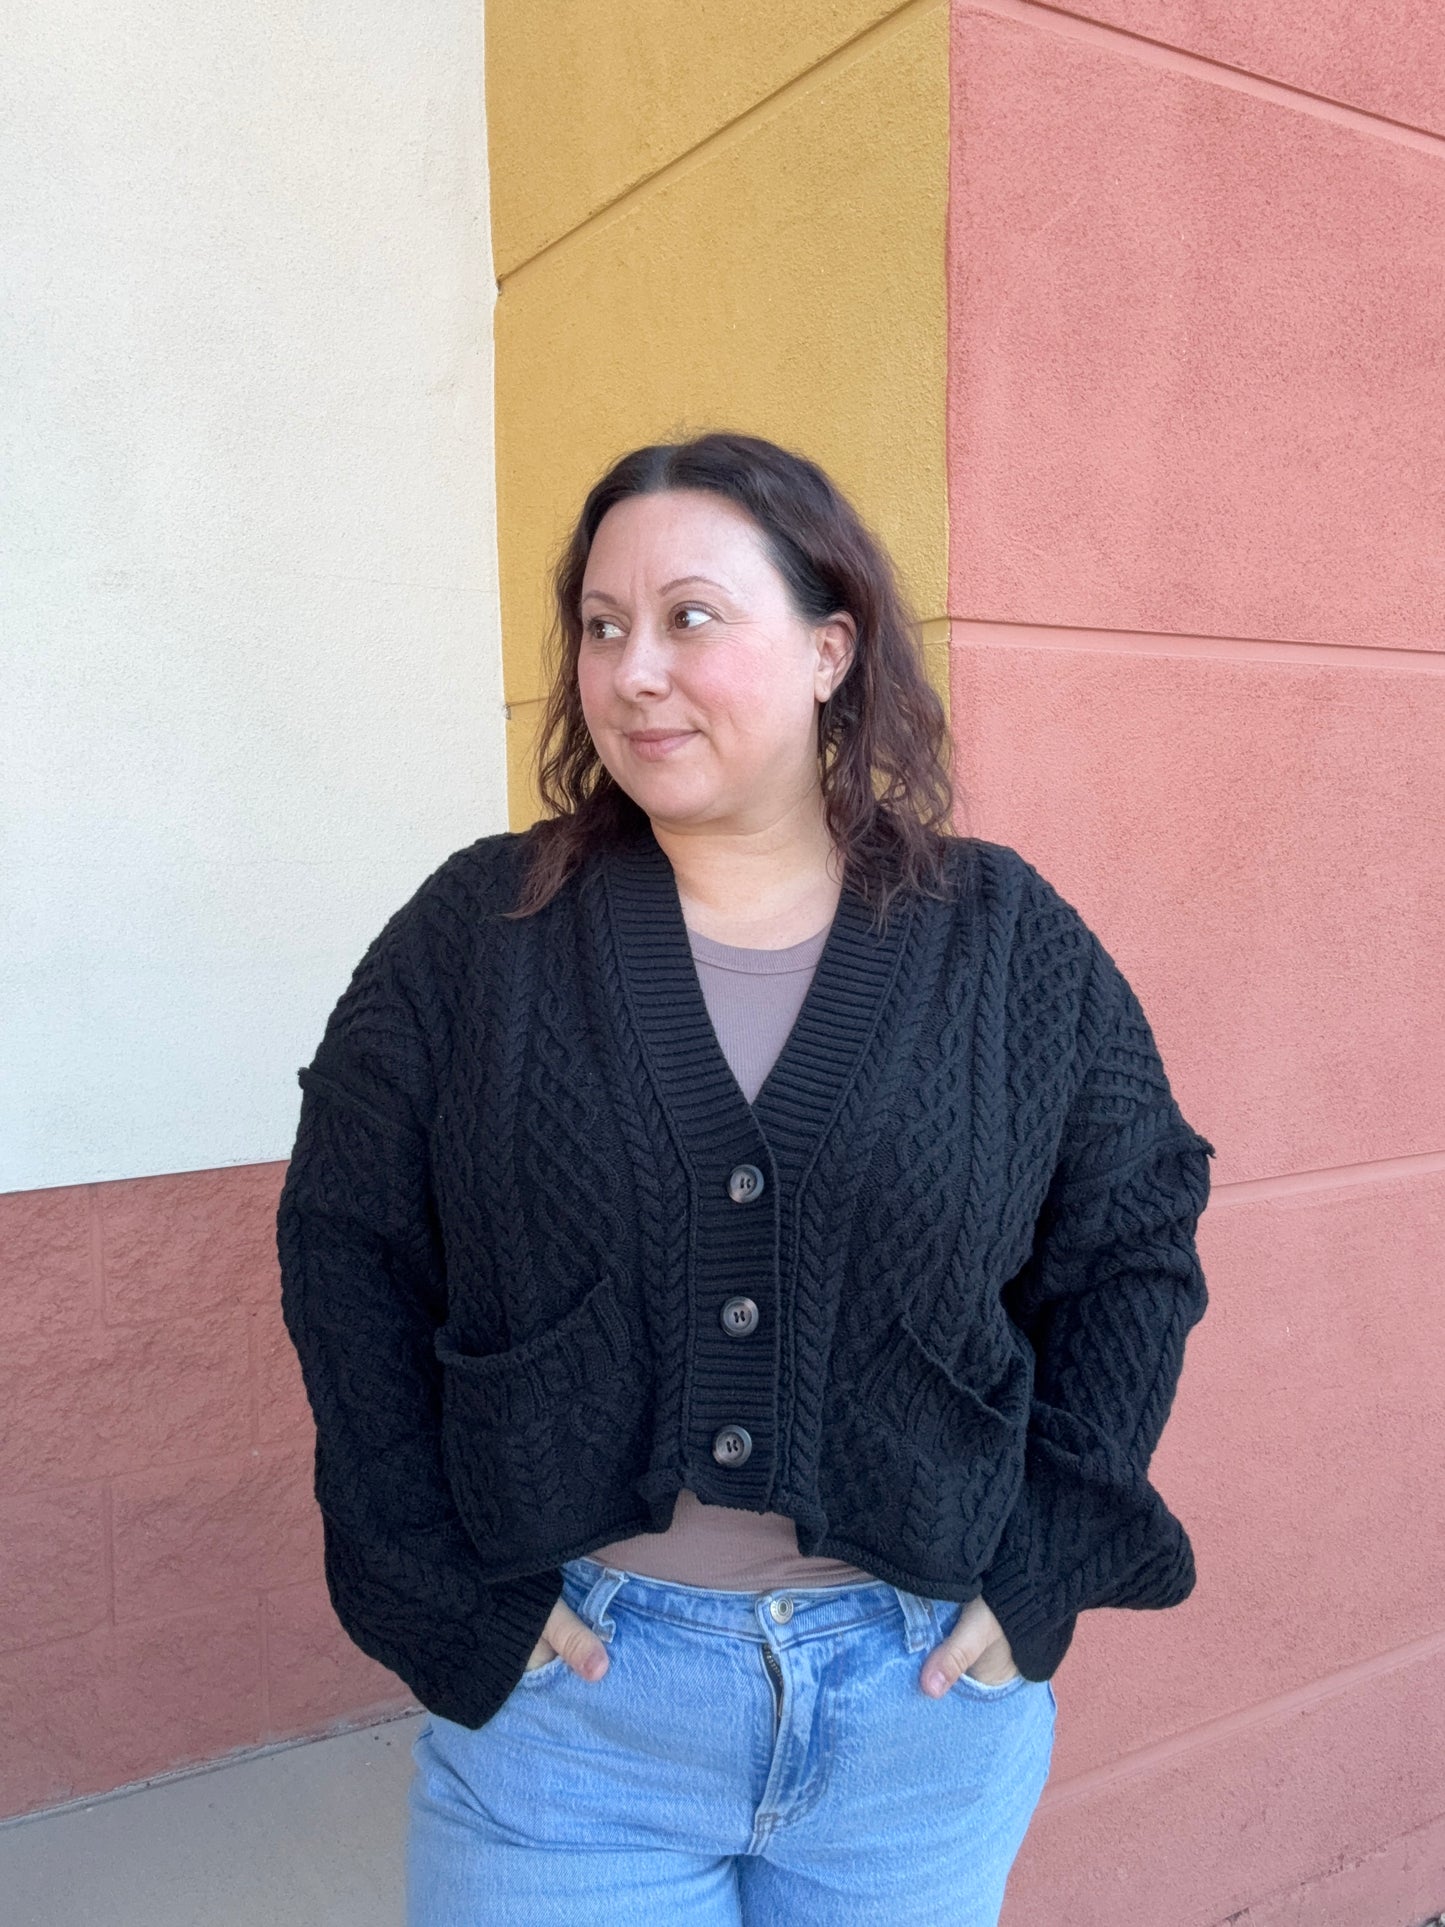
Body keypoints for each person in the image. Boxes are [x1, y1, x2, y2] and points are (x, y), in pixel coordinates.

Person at [276, 430, 1215, 1926]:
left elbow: (1132, 1247)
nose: (631, 669)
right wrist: (437, 1590)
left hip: (917, 1720)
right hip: (576, 1728)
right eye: (601, 626)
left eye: (689, 618)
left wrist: (1043, 1563)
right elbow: (347, 1251)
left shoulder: (1004, 940)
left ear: (830, 646)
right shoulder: (477, 935)